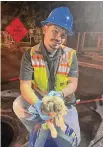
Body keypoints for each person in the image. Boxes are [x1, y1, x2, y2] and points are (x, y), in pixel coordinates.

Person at [13, 6, 81, 147]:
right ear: (45, 30)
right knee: (18, 105)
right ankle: (37, 128)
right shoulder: (30, 54)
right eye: (55, 31)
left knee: (74, 141)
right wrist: (38, 104)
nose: (58, 38)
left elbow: (73, 84)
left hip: (64, 103)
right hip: (41, 98)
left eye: (63, 35)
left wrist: (61, 94)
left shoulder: (71, 55)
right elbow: (25, 85)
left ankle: (50, 125)